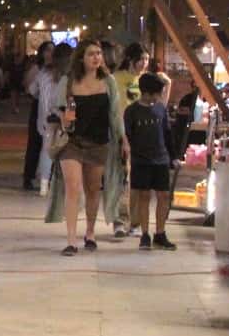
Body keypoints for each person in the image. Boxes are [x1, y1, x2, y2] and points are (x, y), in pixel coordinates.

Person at [44, 40, 125, 256]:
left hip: (98, 143)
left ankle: (90, 231)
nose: (97, 57)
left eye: (99, 53)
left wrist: (123, 139)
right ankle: (71, 240)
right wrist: (63, 115)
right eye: (91, 54)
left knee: (92, 190)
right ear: (81, 57)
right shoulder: (68, 81)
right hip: (72, 141)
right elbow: (53, 108)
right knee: (72, 186)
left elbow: (115, 115)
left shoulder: (108, 82)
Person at [124, 73, 177, 251]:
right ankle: (145, 234)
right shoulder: (131, 111)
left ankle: (160, 233)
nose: (159, 96)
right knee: (144, 197)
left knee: (163, 196)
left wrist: (174, 156)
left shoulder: (161, 109)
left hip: (161, 159)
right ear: (147, 92)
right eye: (157, 93)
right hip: (141, 161)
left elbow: (168, 134)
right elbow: (128, 136)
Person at [112, 42, 151, 236]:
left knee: (138, 181)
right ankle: (120, 220)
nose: (144, 63)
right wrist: (122, 137)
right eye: (141, 59)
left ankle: (134, 223)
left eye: (147, 59)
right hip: (122, 135)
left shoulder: (146, 80)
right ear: (130, 59)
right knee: (122, 180)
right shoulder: (117, 79)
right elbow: (116, 109)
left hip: (143, 137)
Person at [35, 43, 74, 197]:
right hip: (66, 118)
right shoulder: (71, 77)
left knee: (47, 152)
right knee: (67, 152)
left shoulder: (44, 74)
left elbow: (34, 91)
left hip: (49, 119)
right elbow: (71, 100)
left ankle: (44, 185)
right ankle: (63, 185)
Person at [23, 41, 54, 190]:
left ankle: (47, 177)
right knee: (35, 144)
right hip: (39, 107)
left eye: (52, 51)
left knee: (50, 146)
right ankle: (29, 176)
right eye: (47, 50)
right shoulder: (38, 70)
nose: (50, 54)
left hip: (53, 109)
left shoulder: (58, 71)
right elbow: (30, 89)